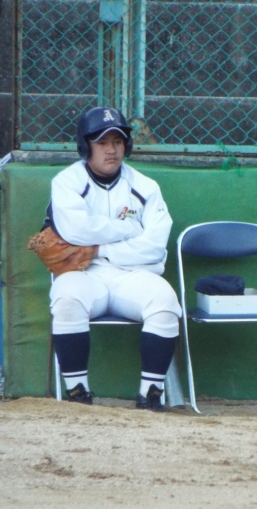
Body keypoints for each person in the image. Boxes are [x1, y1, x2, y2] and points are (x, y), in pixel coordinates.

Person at [45, 106, 181, 411]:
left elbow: (154, 248)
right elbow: (77, 230)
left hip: (132, 275)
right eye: (102, 142)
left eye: (118, 141)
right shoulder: (66, 182)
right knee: (67, 299)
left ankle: (150, 396)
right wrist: (129, 228)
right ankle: (78, 395)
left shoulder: (146, 187)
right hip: (83, 272)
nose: (112, 149)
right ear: (86, 145)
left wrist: (98, 248)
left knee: (165, 302)